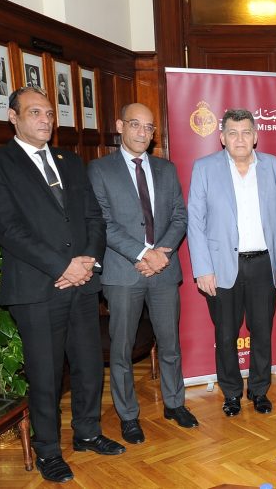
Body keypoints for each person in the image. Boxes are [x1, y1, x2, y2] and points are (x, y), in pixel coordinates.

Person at [0, 87, 123, 483]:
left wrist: (87, 262)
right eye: (35, 112)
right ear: (14, 117)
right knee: (46, 374)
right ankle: (48, 451)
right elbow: (8, 228)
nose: (45, 120)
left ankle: (87, 432)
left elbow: (93, 217)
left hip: (82, 283)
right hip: (38, 289)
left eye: (49, 114)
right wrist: (63, 266)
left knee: (89, 366)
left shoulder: (68, 160)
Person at [87, 103, 197, 445]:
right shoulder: (100, 169)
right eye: (135, 124)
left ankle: (175, 403)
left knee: (170, 343)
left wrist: (161, 253)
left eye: (149, 128)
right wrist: (143, 253)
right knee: (121, 349)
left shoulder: (166, 168)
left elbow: (179, 216)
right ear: (120, 125)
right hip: (123, 272)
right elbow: (103, 222)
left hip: (163, 269)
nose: (142, 132)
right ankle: (128, 416)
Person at [188, 109, 276, 417]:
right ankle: (232, 393)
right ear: (222, 138)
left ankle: (259, 390)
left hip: (264, 263)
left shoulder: (275, 167)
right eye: (232, 133)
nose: (239, 139)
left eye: (246, 132)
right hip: (222, 266)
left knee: (262, 332)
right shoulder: (205, 168)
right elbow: (195, 222)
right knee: (225, 335)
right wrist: (203, 268)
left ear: (255, 136)